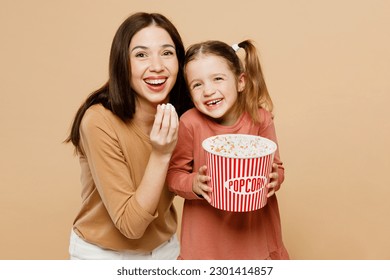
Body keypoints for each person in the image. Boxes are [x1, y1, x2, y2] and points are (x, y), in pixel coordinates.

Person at [65, 12, 192, 260]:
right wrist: (161, 153)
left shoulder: (184, 115)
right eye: (141, 55)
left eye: (167, 53)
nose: (157, 66)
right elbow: (131, 226)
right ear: (122, 62)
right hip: (102, 257)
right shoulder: (99, 121)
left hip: (165, 252)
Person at [167, 40, 289, 259]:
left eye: (218, 79)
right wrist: (193, 183)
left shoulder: (259, 118)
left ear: (240, 81)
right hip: (207, 242)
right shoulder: (190, 123)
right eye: (197, 84)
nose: (208, 91)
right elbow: (174, 174)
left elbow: (277, 167)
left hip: (256, 237)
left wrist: (274, 178)